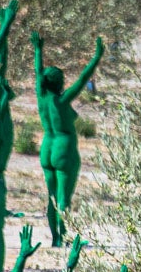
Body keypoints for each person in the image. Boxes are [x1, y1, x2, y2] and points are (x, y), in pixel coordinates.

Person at [31, 33, 104, 240]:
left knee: (51, 196)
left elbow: (37, 73)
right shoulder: (61, 101)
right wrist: (97, 56)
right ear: (59, 83)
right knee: (64, 198)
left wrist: (38, 50)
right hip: (64, 148)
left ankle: (55, 236)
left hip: (47, 147)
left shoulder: (42, 98)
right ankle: (62, 236)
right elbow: (82, 80)